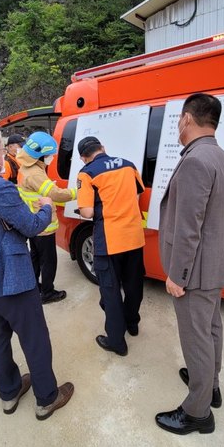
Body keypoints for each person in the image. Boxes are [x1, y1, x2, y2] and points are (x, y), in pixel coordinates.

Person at [0, 123, 74, 420]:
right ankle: (47, 397)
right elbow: (32, 226)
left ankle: (8, 393)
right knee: (34, 338)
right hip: (12, 280)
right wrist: (46, 206)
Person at [154, 93, 224, 435]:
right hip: (215, 265)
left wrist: (178, 275)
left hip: (196, 271)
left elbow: (189, 227)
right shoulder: (219, 156)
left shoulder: (194, 161)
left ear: (188, 118)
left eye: (178, 119)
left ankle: (198, 412)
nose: (178, 125)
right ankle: (211, 384)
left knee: (196, 339)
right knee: (211, 329)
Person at [76, 136, 145, 357]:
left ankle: (117, 341)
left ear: (83, 157)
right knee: (134, 284)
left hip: (109, 240)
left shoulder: (86, 173)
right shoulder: (128, 164)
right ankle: (132, 324)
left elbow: (86, 212)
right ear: (103, 148)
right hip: (134, 236)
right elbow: (137, 194)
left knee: (111, 291)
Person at [16, 131, 76, 304]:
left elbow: (37, 190)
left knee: (35, 256)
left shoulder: (25, 167)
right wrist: (77, 192)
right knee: (49, 261)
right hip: (43, 226)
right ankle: (48, 293)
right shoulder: (35, 172)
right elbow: (55, 194)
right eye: (49, 155)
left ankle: (34, 286)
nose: (51, 158)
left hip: (31, 222)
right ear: (39, 155)